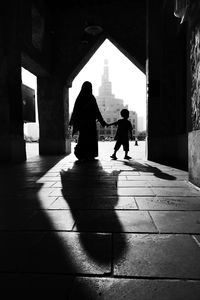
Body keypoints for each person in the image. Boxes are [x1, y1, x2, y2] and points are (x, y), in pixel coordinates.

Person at [69, 81, 107, 160]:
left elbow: (75, 110)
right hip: (90, 123)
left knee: (83, 138)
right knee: (90, 139)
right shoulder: (91, 97)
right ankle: (90, 154)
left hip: (83, 123)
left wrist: (71, 121)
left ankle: (83, 154)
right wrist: (102, 121)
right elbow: (97, 111)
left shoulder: (80, 98)